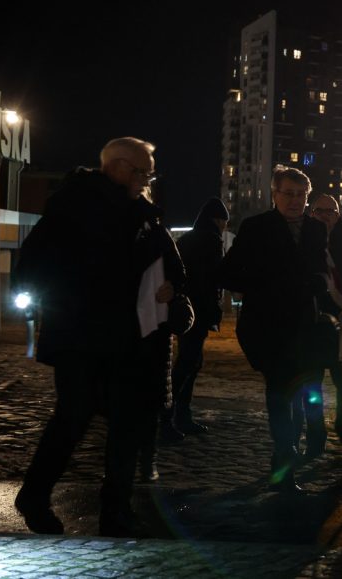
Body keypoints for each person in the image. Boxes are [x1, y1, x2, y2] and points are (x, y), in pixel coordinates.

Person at [13, 136, 165, 536]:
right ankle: (35, 495)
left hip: (124, 335)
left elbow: (159, 261)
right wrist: (57, 305)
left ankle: (115, 512)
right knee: (75, 416)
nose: (145, 180)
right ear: (116, 166)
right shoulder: (74, 205)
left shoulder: (141, 212)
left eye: (149, 174)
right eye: (141, 172)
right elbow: (34, 261)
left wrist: (170, 287)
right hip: (79, 334)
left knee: (125, 421)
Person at [220, 165, 329, 492]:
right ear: (274, 194)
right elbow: (228, 272)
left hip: (304, 326)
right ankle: (284, 456)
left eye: (301, 195)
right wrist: (267, 284)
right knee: (281, 393)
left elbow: (319, 269)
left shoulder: (316, 229)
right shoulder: (256, 227)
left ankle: (286, 456)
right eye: (288, 194)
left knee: (298, 392)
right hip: (268, 326)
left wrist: (317, 283)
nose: (295, 200)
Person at [293, 193, 342, 456]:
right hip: (311, 325)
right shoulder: (301, 245)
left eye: (330, 211)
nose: (325, 215)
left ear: (338, 215)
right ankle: (315, 436)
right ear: (311, 213)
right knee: (311, 387)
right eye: (319, 211)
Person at [134, 192, 192, 482]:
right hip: (121, 327)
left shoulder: (157, 232)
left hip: (155, 326)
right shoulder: (105, 230)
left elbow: (179, 273)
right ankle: (123, 465)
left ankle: (147, 460)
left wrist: (172, 286)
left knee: (149, 400)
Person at [170, 198, 230, 439]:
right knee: (189, 364)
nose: (224, 227)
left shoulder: (187, 240)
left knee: (188, 361)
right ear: (217, 221)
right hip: (200, 311)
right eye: (224, 222)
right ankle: (174, 414)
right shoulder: (212, 241)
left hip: (185, 309)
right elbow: (214, 278)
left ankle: (176, 413)